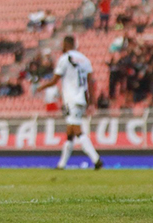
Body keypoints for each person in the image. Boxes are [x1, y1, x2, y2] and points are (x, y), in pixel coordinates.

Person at [36, 36, 103, 170]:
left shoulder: (65, 58)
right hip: (81, 98)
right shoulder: (85, 60)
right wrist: (91, 102)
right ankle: (61, 164)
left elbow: (55, 80)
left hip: (71, 99)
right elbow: (90, 82)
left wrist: (41, 87)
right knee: (70, 133)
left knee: (76, 130)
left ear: (66, 45)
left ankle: (96, 159)